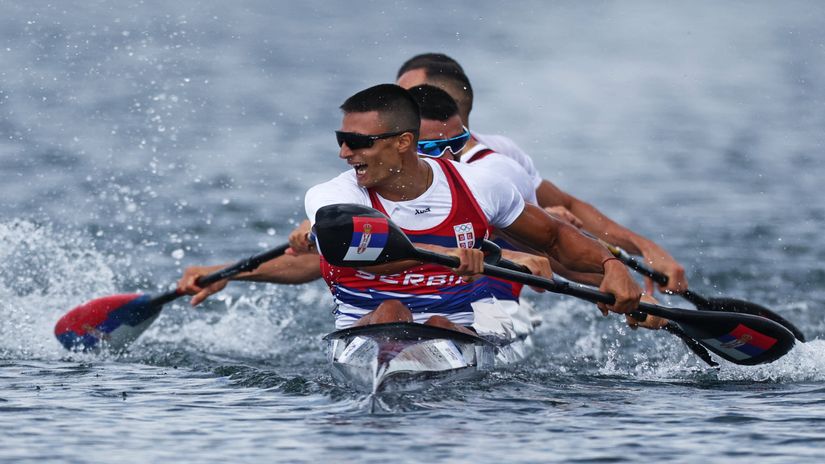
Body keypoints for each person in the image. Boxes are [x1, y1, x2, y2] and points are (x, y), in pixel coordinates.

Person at [295, 83, 642, 333]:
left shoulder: (479, 185)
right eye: (340, 140)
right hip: (369, 322)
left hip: (461, 323)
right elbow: (363, 250)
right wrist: (447, 252)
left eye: (357, 143)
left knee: (439, 324)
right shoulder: (332, 195)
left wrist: (610, 266)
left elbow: (554, 239)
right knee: (391, 310)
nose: (344, 153)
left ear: (403, 142)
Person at [395, 53, 688, 296]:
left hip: (481, 297)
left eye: (401, 100)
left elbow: (560, 230)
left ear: (439, 104)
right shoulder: (381, 165)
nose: (387, 109)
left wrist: (644, 253)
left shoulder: (498, 160)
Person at [407, 83, 664, 330]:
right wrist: (509, 256)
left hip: (468, 305)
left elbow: (551, 245)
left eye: (457, 142)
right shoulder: (369, 183)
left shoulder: (490, 177)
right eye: (432, 149)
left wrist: (622, 283)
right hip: (389, 306)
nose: (449, 157)